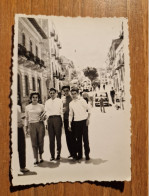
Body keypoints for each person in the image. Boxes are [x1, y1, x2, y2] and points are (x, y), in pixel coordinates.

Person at [69, 87, 91, 161]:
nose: (73, 95)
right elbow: (71, 114)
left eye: (75, 93)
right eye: (72, 94)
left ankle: (87, 154)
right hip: (76, 122)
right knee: (78, 140)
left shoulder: (82, 101)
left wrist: (88, 119)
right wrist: (69, 124)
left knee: (85, 139)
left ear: (77, 93)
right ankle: (80, 155)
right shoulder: (71, 103)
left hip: (84, 121)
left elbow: (89, 109)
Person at [24, 91, 45, 165]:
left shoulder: (41, 106)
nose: (35, 99)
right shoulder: (27, 107)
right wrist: (26, 128)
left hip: (40, 125)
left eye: (36, 97)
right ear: (31, 98)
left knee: (41, 141)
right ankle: (35, 158)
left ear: (38, 98)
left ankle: (41, 156)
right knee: (34, 142)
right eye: (33, 97)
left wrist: (44, 118)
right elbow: (26, 118)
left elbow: (44, 116)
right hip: (31, 125)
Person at [45, 88, 63, 161]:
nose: (52, 94)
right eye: (51, 93)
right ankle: (52, 155)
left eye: (53, 93)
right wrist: (46, 123)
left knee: (58, 138)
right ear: (49, 94)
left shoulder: (60, 101)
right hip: (50, 120)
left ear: (56, 93)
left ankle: (58, 154)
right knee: (51, 139)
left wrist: (62, 122)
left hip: (57, 119)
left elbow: (61, 111)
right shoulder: (47, 102)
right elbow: (46, 113)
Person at [17, 95, 29, 173]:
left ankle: (22, 167)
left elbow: (19, 117)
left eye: (18, 97)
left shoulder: (18, 106)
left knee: (22, 147)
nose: (17, 98)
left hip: (20, 128)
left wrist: (22, 120)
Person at [61, 85, 73, 158]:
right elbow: (61, 108)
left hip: (72, 119)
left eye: (67, 90)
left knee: (73, 136)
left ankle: (75, 152)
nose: (66, 92)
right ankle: (71, 152)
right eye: (64, 91)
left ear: (69, 90)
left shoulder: (72, 98)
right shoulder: (62, 99)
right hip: (65, 119)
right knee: (68, 137)